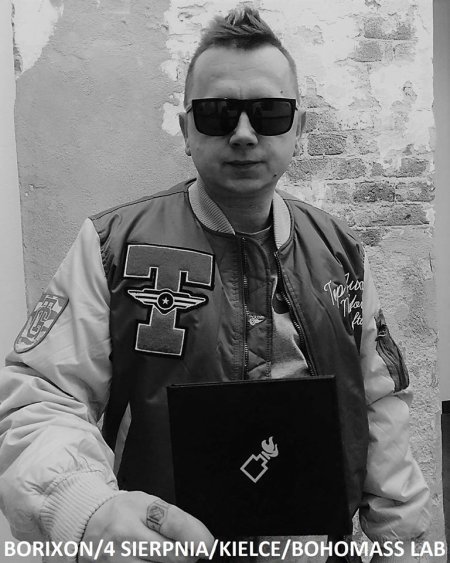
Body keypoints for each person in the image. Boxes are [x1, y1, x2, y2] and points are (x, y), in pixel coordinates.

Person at [0, 5, 430, 563]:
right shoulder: (112, 247)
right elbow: (41, 398)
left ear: (299, 128)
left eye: (269, 112)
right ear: (186, 129)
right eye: (218, 113)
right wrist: (86, 509)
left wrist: (402, 543)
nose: (244, 134)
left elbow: (379, 405)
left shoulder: (340, 251)